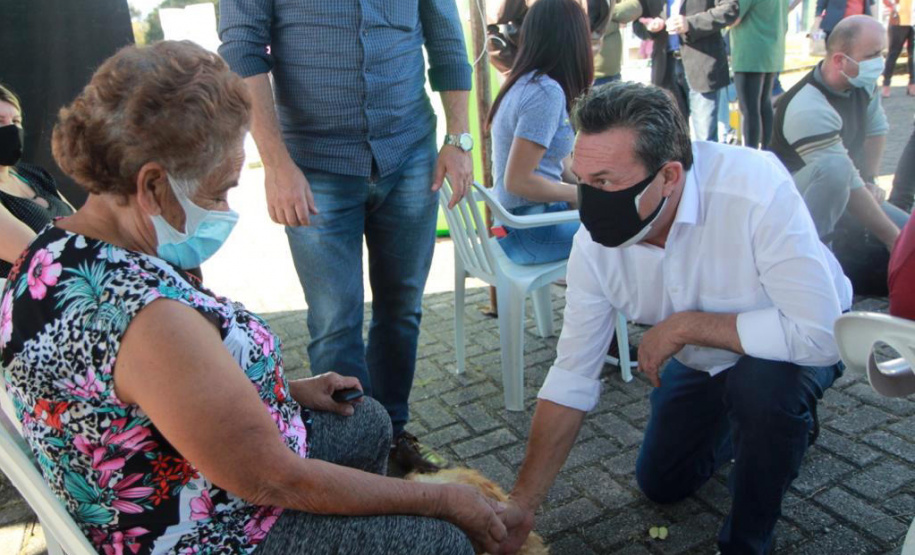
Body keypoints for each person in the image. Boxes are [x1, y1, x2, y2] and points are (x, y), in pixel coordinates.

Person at [0, 41, 506, 555]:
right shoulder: (145, 317)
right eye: (218, 192)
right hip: (206, 529)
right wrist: (442, 500)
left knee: (366, 420)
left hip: (178, 476)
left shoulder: (57, 247)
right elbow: (275, 480)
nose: (224, 209)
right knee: (441, 541)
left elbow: (164, 389)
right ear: (152, 185)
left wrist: (286, 386)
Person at [494, 81, 851, 555]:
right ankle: (764, 435)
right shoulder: (593, 248)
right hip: (704, 358)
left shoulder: (755, 189)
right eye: (581, 180)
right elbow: (572, 374)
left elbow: (821, 336)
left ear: (670, 177)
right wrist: (522, 503)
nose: (587, 200)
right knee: (661, 482)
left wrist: (683, 327)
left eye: (605, 182)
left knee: (763, 394)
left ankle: (748, 535)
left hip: (790, 338)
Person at [218, 0, 474, 473]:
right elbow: (242, 51)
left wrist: (459, 140)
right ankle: (355, 461)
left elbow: (446, 39)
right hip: (314, 164)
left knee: (402, 307)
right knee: (336, 319)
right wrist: (276, 164)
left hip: (410, 152)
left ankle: (392, 435)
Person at [770, 15, 908, 296]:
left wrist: (871, 178)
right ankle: (814, 258)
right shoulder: (806, 105)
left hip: (845, 187)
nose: (879, 62)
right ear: (839, 61)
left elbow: (877, 130)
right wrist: (892, 240)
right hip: (795, 201)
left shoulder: (860, 83)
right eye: (871, 55)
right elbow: (845, 178)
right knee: (836, 169)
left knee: (910, 235)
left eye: (881, 53)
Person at [489, 0, 593, 265]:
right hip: (530, 231)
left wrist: (592, 187)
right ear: (573, 40)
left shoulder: (525, 82)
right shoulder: (545, 92)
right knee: (629, 233)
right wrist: (579, 195)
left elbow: (559, 164)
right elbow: (519, 182)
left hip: (519, 225)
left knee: (616, 216)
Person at [633, 0, 739, 142]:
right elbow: (638, 22)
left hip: (702, 64)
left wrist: (691, 24)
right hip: (665, 68)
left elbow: (730, 9)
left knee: (705, 140)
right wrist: (649, 27)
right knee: (672, 140)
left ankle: (703, 165)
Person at [0, 84, 74, 280]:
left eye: (16, 121)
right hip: (28, 305)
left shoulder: (33, 174)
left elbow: (85, 225)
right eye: (0, 122)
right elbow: (38, 256)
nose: (12, 130)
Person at [729, 0, 786, 148]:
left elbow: (732, 16)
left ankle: (751, 153)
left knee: (749, 109)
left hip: (750, 52)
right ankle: (768, 151)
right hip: (771, 51)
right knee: (764, 104)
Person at [593, 0, 644, 86]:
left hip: (612, 75)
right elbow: (589, 27)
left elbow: (635, 7)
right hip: (584, 76)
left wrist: (604, 10)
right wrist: (614, 23)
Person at [881, 0, 915, 98]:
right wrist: (892, 5)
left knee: (913, 54)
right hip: (899, 19)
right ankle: (886, 84)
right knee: (893, 53)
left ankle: (912, 84)